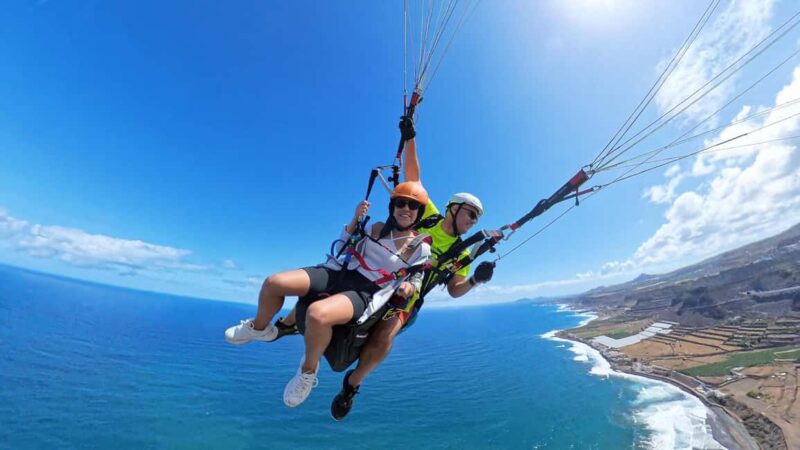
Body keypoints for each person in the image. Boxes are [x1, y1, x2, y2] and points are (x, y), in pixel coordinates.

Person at [329, 117, 495, 420]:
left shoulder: (465, 251)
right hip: (379, 275)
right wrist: (410, 137)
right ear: (453, 209)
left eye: (476, 219)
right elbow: (412, 175)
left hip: (408, 294)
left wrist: (475, 280)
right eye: (470, 215)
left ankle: (352, 385)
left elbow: (455, 291)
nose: (472, 222)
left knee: (385, 336)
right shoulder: (428, 216)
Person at [225, 181, 432, 408]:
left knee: (317, 314)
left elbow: (416, 278)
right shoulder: (376, 228)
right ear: (392, 206)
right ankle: (260, 328)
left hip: (366, 290)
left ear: (419, 212)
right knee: (274, 283)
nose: (406, 209)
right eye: (401, 203)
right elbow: (344, 245)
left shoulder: (420, 247)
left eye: (413, 206)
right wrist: (355, 220)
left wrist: (408, 288)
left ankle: (307, 372)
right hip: (340, 271)